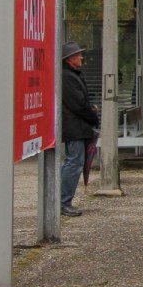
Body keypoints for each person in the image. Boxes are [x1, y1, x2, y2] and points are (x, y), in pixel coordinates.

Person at [60, 41, 100, 217]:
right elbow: (77, 104)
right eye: (78, 55)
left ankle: (62, 200)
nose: (81, 57)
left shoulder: (71, 75)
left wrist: (89, 109)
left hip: (77, 125)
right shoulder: (67, 77)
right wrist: (92, 117)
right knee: (74, 163)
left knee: (73, 162)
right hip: (74, 126)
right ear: (69, 59)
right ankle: (63, 201)